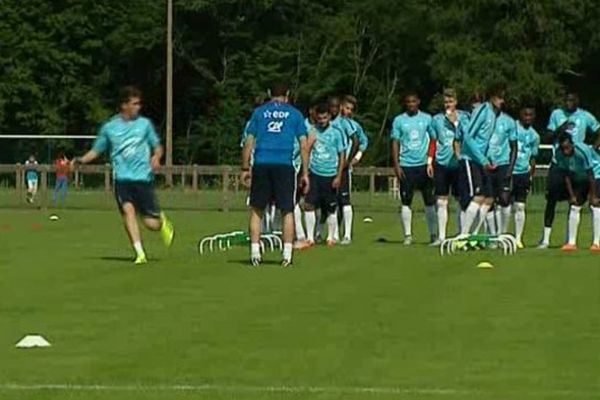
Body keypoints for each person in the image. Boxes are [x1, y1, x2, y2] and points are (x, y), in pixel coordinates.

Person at [72, 86, 175, 265]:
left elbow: (157, 146)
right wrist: (81, 160)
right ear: (124, 105)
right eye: (134, 104)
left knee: (151, 224)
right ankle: (140, 253)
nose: (138, 107)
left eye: (139, 104)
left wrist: (156, 156)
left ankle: (162, 220)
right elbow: (96, 150)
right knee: (128, 212)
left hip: (143, 179)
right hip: (122, 179)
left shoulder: (145, 125)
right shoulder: (109, 128)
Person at [241, 83, 309, 267]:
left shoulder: (259, 113)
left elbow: (249, 142)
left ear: (269, 93)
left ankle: (255, 252)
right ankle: (287, 254)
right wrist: (305, 173)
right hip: (284, 165)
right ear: (287, 94)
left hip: (262, 163)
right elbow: (304, 145)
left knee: (257, 209)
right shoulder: (295, 114)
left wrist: (245, 168)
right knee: (287, 210)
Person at [538, 92, 600, 248]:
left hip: (583, 167)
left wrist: (595, 147)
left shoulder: (585, 117)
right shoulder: (556, 114)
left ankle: (596, 242)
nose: (569, 103)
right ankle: (547, 240)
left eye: (572, 100)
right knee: (553, 198)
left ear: (578, 101)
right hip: (561, 163)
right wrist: (562, 127)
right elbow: (549, 137)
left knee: (593, 203)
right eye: (566, 100)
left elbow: (591, 174)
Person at [458, 83, 506, 235]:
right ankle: (464, 234)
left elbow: (486, 140)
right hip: (471, 159)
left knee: (490, 198)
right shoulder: (483, 110)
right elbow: (468, 137)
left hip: (482, 160)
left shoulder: (493, 114)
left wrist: (489, 158)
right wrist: (482, 159)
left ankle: (475, 233)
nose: (502, 101)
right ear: (491, 97)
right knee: (478, 196)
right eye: (499, 97)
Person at [391, 92, 436, 245]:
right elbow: (395, 142)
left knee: (429, 201)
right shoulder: (399, 120)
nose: (411, 104)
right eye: (408, 102)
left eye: (413, 102)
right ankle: (408, 235)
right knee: (406, 201)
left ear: (418, 102)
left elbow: (433, 140)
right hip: (406, 165)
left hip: (423, 165)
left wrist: (430, 161)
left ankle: (433, 234)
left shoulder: (427, 119)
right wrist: (396, 164)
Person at [429, 89, 470, 244]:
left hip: (459, 163)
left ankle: (461, 234)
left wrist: (455, 123)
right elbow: (434, 141)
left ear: (456, 102)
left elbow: (468, 136)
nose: (448, 105)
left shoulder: (465, 117)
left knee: (461, 200)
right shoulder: (436, 119)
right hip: (442, 163)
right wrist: (430, 161)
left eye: (451, 101)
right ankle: (441, 237)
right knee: (441, 200)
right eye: (446, 102)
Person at [303, 103, 346, 246]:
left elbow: (342, 155)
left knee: (331, 207)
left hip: (330, 174)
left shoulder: (336, 132)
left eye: (325, 118)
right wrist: (306, 172)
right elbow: (307, 151)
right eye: (319, 118)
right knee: (309, 205)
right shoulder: (313, 131)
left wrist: (339, 176)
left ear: (329, 117)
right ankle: (310, 237)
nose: (322, 121)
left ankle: (331, 236)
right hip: (315, 174)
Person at [553, 133, 596, 251]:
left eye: (567, 148)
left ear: (572, 144)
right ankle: (571, 243)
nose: (565, 151)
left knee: (596, 206)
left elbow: (590, 173)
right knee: (574, 206)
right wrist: (571, 195)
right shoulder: (559, 154)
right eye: (563, 148)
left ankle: (597, 243)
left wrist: (593, 195)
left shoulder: (582, 151)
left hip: (595, 176)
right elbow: (566, 175)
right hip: (577, 178)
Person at [338, 95, 369, 245]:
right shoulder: (333, 122)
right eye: (346, 108)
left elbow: (362, 141)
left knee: (345, 200)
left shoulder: (353, 125)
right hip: (330, 165)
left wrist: (355, 158)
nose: (348, 111)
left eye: (351, 109)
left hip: (344, 167)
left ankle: (347, 234)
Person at [485, 108, 517, 235]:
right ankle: (493, 234)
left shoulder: (508, 121)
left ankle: (502, 232)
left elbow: (514, 146)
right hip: (486, 164)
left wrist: (510, 168)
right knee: (488, 200)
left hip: (503, 164)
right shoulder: (482, 120)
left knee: (504, 199)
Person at [512, 106, 540, 248]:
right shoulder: (512, 127)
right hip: (508, 170)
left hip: (523, 173)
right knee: (502, 204)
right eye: (525, 114)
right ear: (520, 115)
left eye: (530, 115)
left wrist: (531, 174)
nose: (528, 117)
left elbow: (533, 157)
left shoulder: (535, 136)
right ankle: (500, 235)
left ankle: (518, 238)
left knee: (520, 205)